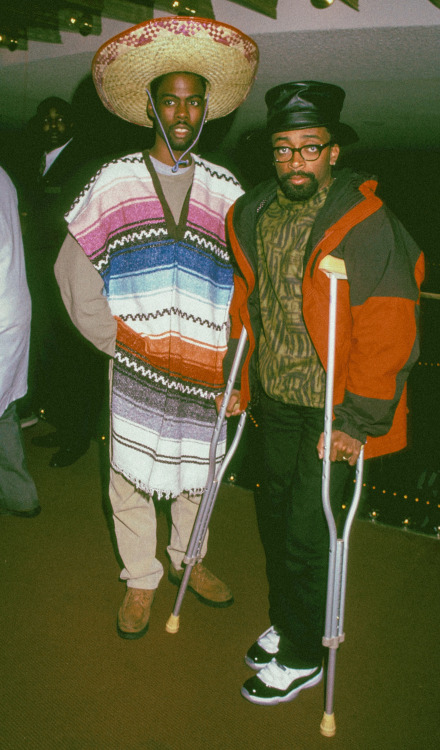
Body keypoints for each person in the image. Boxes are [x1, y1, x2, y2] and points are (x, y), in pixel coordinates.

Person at [53, 16, 259, 638]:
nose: (182, 112)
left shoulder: (229, 192)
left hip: (205, 365)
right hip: (136, 360)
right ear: (150, 106)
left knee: (199, 474)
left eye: (193, 101)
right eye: (170, 99)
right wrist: (116, 341)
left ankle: (188, 560)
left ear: (205, 111)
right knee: (130, 473)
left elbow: (248, 281)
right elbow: (74, 271)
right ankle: (141, 578)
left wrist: (230, 353)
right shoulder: (112, 182)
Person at [221, 81, 424, 705]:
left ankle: (306, 654)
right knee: (276, 519)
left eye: (309, 149)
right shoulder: (253, 213)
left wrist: (358, 420)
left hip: (332, 411)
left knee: (310, 532)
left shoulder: (366, 225)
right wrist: (238, 375)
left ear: (334, 152)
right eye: (283, 150)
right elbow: (248, 303)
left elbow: (391, 329)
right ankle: (290, 621)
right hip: (275, 400)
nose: (295, 161)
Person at [25, 97, 107, 467]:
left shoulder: (86, 162)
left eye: (60, 119)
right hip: (43, 279)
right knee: (55, 358)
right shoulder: (34, 161)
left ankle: (78, 438)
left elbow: (72, 221)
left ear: (73, 125)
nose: (53, 125)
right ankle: (62, 424)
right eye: (46, 119)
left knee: (76, 363)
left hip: (72, 277)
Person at [0, 166, 40, 518]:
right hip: (11, 308)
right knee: (4, 409)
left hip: (2, 314)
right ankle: (21, 496)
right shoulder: (4, 176)